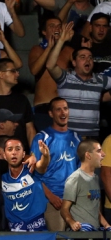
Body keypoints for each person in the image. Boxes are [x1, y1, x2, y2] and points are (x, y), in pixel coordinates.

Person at [46, 21, 111, 137]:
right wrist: (61, 41)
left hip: (91, 138)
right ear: (74, 62)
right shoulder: (66, 78)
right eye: (83, 57)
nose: (87, 60)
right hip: (69, 137)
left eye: (90, 57)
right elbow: (50, 66)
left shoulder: (101, 80)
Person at [31, 97, 81, 231]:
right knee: (59, 239)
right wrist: (50, 196)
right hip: (52, 201)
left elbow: (80, 171)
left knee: (78, 238)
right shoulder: (42, 138)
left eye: (65, 109)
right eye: (58, 109)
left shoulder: (77, 138)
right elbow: (32, 173)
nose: (63, 112)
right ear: (51, 114)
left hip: (73, 200)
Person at [28, 16, 72, 132]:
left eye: (59, 26)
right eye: (52, 26)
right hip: (44, 107)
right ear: (44, 31)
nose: (56, 28)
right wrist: (49, 48)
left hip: (64, 107)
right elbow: (34, 70)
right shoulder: (37, 50)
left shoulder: (68, 51)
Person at [2, 137, 51, 232]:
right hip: (14, 230)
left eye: (18, 149)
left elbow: (42, 165)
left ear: (24, 154)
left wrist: (45, 156)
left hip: (37, 228)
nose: (14, 152)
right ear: (4, 155)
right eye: (10, 149)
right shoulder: (1, 178)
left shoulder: (32, 170)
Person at [61, 139, 110, 230]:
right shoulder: (75, 179)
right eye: (99, 151)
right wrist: (72, 223)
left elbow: (95, 210)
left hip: (94, 233)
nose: (103, 154)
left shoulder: (95, 178)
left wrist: (107, 225)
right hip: (80, 235)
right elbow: (64, 209)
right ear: (88, 155)